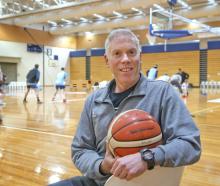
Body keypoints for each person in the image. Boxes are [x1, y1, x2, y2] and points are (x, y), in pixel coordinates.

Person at [49, 29, 201, 186]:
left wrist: (147, 158)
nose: (125, 59)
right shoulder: (94, 100)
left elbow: (190, 144)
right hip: (101, 181)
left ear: (140, 57)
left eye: (131, 52)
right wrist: (102, 165)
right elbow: (80, 150)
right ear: (107, 60)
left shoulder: (163, 93)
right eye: (117, 54)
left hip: (146, 182)